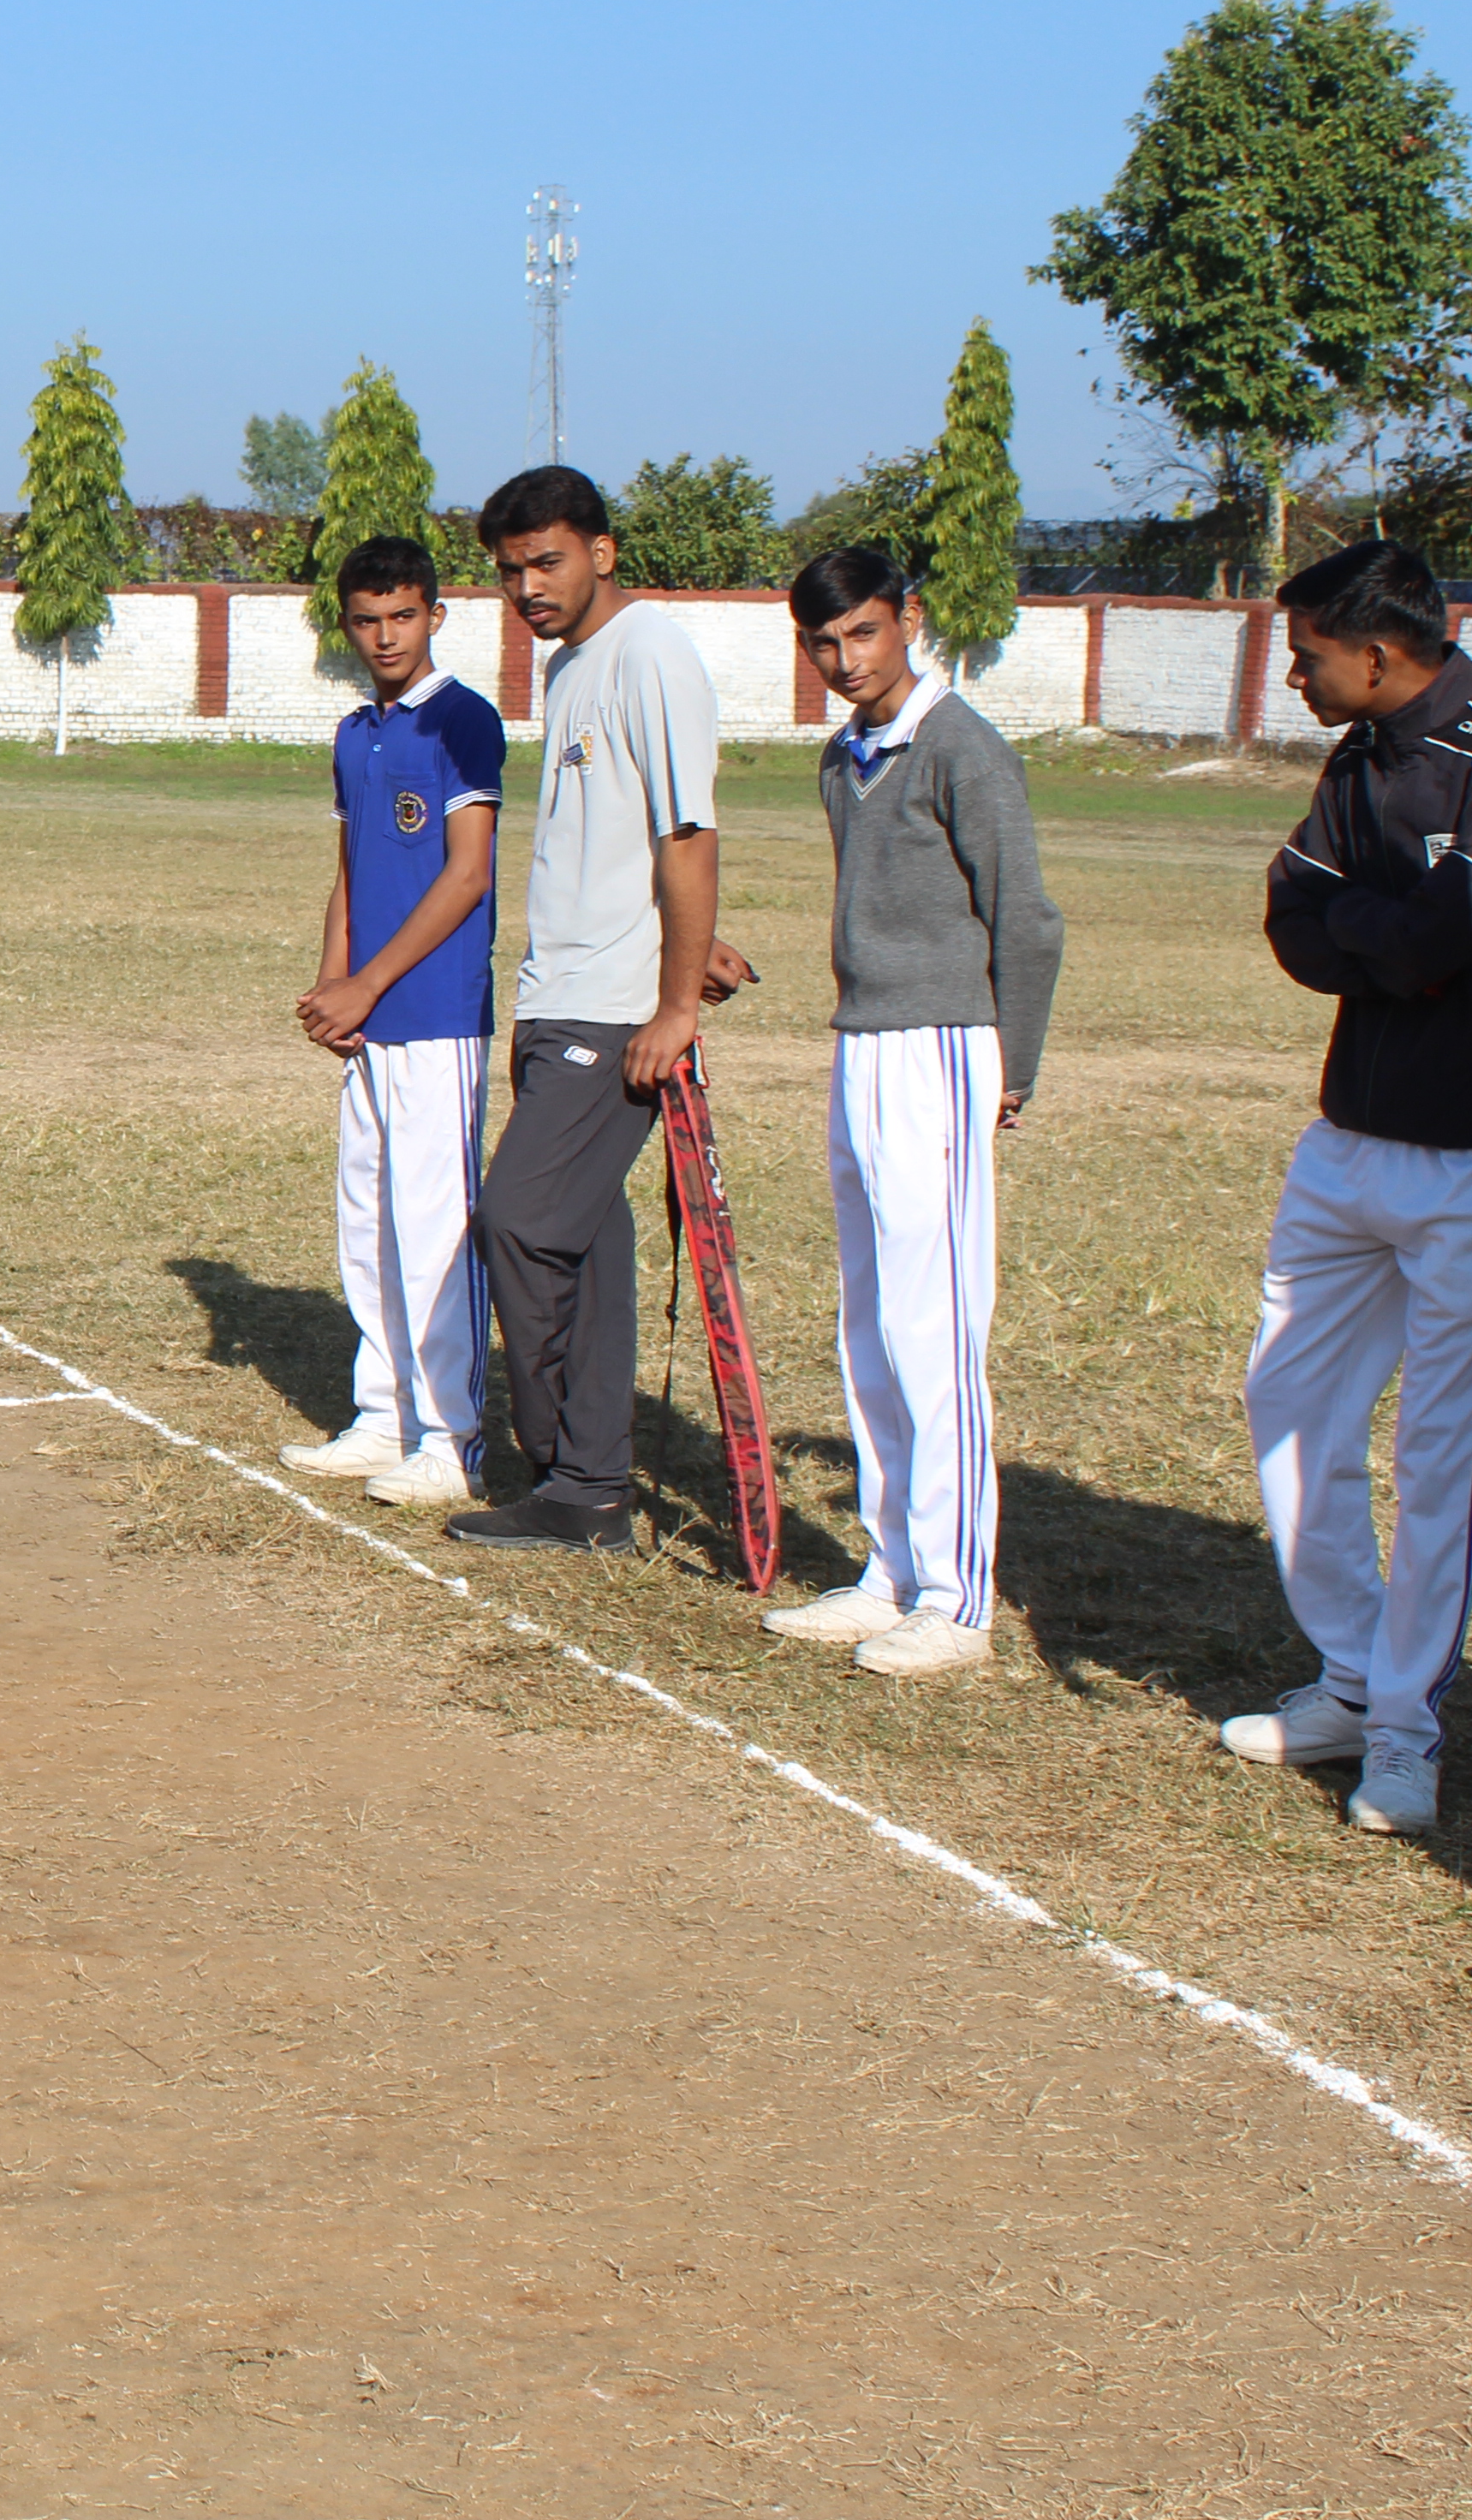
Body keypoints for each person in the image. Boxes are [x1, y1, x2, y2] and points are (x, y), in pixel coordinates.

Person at [1224, 539, 1472, 1842]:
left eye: (1308, 657)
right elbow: (1293, 915)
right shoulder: (1357, 756)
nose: (1295, 680)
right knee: (1290, 1398)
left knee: (1438, 1459)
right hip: (1347, 1136)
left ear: (1376, 651)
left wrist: (1376, 936)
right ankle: (1355, 1679)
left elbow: (1450, 934)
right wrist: (1386, 939)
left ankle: (1409, 1736)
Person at [756, 546, 1062, 1681]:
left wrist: (1010, 1067)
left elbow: (1024, 919)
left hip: (946, 1045)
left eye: (864, 636)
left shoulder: (962, 750)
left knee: (937, 1320)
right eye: (824, 644)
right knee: (873, 1313)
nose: (845, 661)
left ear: (911, 623)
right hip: (864, 1044)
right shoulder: (844, 759)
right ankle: (887, 1569)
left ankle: (958, 1594)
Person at [451, 467, 750, 1552]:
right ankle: (593, 1489)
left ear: (603, 552)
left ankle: (562, 1462)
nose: (528, 586)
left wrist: (674, 1000)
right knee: (588, 1244)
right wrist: (688, 938)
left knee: (520, 1222)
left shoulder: (652, 652)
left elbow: (688, 831)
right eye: (510, 571)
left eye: (548, 561)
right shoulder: (572, 666)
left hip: (614, 1012)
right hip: (557, 995)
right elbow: (621, 842)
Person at [282, 534, 504, 1512]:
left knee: (433, 1224)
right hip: (369, 1017)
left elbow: (469, 873)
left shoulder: (465, 721)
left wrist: (368, 983)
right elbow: (352, 867)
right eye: (367, 621)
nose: (385, 636)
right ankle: (383, 1415)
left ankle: (452, 1436)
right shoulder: (352, 732)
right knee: (366, 1219)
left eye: (403, 616)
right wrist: (332, 980)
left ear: (436, 615)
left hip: (435, 1012)